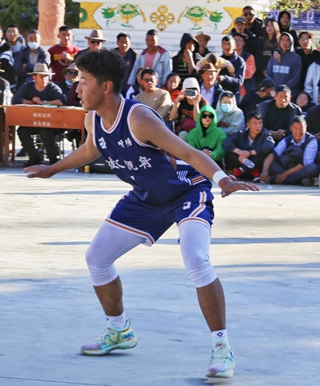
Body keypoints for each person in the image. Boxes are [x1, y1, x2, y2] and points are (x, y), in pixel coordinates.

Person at [25, 49, 256, 379]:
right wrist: (52, 169)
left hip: (186, 192)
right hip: (146, 199)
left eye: (84, 81)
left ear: (105, 87)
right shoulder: (93, 119)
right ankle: (119, 330)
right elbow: (90, 150)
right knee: (97, 258)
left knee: (196, 260)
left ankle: (222, 347)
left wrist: (223, 179)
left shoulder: (139, 118)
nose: (77, 87)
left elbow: (189, 152)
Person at [12, 63, 66, 166]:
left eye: (46, 76)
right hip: (32, 122)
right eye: (41, 76)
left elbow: (61, 101)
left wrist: (43, 102)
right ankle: (34, 157)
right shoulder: (27, 86)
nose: (44, 79)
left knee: (44, 130)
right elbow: (16, 99)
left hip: (51, 123)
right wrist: (31, 102)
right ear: (34, 77)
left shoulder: (53, 87)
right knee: (22, 131)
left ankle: (53, 159)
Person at [260, 116, 319, 185]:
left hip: (300, 169)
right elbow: (273, 154)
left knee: (313, 168)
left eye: (301, 128)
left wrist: (284, 175)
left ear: (306, 128)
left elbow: (305, 163)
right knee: (272, 165)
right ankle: (298, 181)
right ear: (291, 128)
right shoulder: (287, 139)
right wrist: (265, 171)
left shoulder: (311, 141)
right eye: (296, 128)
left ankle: (277, 180)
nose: (299, 132)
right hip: (287, 167)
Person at [222, 112, 275, 180]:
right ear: (248, 125)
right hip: (241, 161)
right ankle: (250, 170)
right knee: (231, 149)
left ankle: (240, 170)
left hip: (257, 164)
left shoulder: (265, 133)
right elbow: (226, 143)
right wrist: (240, 152)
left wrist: (250, 153)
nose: (258, 126)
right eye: (255, 123)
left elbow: (270, 145)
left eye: (260, 123)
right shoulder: (242, 133)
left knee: (263, 151)